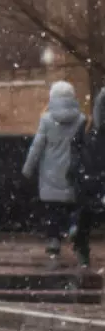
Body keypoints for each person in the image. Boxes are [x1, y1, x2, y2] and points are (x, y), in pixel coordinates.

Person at [22, 81, 86, 257]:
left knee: (53, 210)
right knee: (72, 205)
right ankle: (73, 227)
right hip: (72, 171)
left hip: (50, 173)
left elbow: (37, 146)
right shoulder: (81, 120)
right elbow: (84, 146)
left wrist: (28, 168)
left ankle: (54, 241)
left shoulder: (46, 120)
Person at [70, 88, 105, 268]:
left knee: (86, 216)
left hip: (90, 176)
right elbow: (75, 148)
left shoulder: (87, 126)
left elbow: (75, 148)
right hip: (91, 177)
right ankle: (81, 246)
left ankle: (81, 247)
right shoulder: (87, 126)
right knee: (86, 215)